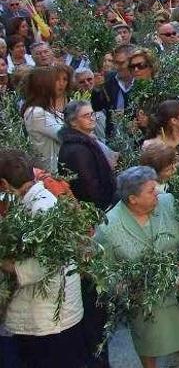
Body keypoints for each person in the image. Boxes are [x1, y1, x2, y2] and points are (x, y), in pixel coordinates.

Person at [94, 166, 179, 368]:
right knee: (149, 344)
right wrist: (123, 288)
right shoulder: (108, 228)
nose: (158, 192)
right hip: (144, 304)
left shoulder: (168, 203)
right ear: (133, 199)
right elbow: (104, 271)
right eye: (151, 190)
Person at [0, 149, 89, 368]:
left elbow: (45, 262)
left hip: (49, 318)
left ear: (4, 183)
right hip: (50, 313)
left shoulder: (42, 206)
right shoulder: (34, 200)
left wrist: (6, 264)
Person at [57, 101, 117, 210]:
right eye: (86, 116)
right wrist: (104, 206)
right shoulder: (77, 150)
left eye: (92, 114)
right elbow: (89, 186)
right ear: (73, 122)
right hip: (94, 211)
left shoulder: (85, 142)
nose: (92, 118)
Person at [22, 66, 69, 172]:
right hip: (51, 172)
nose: (59, 84)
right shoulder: (37, 113)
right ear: (45, 86)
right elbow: (65, 135)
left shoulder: (46, 109)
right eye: (54, 81)